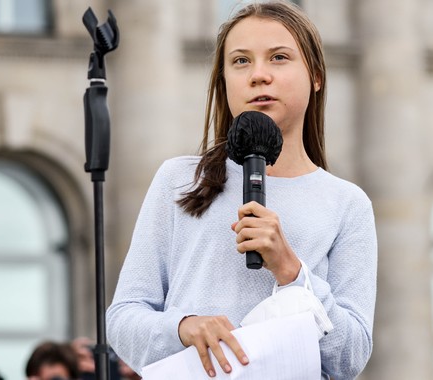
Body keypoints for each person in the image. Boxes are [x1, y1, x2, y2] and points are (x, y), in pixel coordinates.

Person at [106, 1, 377, 379]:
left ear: (316, 76)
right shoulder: (180, 180)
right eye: (240, 61)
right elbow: (123, 320)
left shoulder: (347, 204)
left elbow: (350, 358)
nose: (258, 75)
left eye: (279, 57)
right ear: (224, 81)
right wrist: (183, 327)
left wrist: (292, 271)